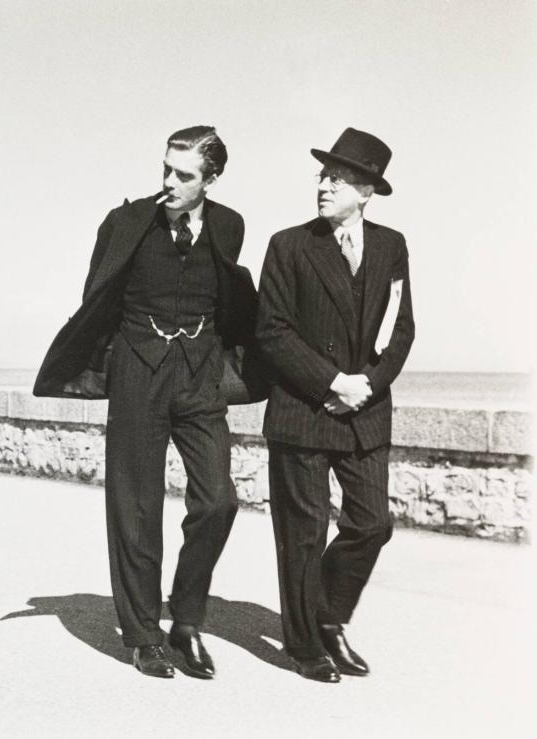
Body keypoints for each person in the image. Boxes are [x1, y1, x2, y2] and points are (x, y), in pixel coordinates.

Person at [34, 127, 260, 679]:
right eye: (166, 169)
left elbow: (232, 300)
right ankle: (142, 635)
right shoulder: (126, 221)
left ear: (212, 178)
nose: (169, 183)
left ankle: (186, 619)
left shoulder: (230, 226)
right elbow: (97, 294)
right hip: (139, 370)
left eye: (184, 175)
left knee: (218, 500)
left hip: (201, 375)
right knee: (136, 506)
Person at [255, 127, 414, 683]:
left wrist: (367, 384)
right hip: (304, 409)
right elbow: (271, 332)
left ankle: (327, 617)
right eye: (322, 176)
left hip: (365, 412)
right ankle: (303, 645)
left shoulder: (392, 246)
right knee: (302, 534)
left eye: (337, 179)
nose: (323, 186)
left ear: (366, 192)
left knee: (372, 523)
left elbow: (401, 329)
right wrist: (332, 383)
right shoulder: (288, 245)